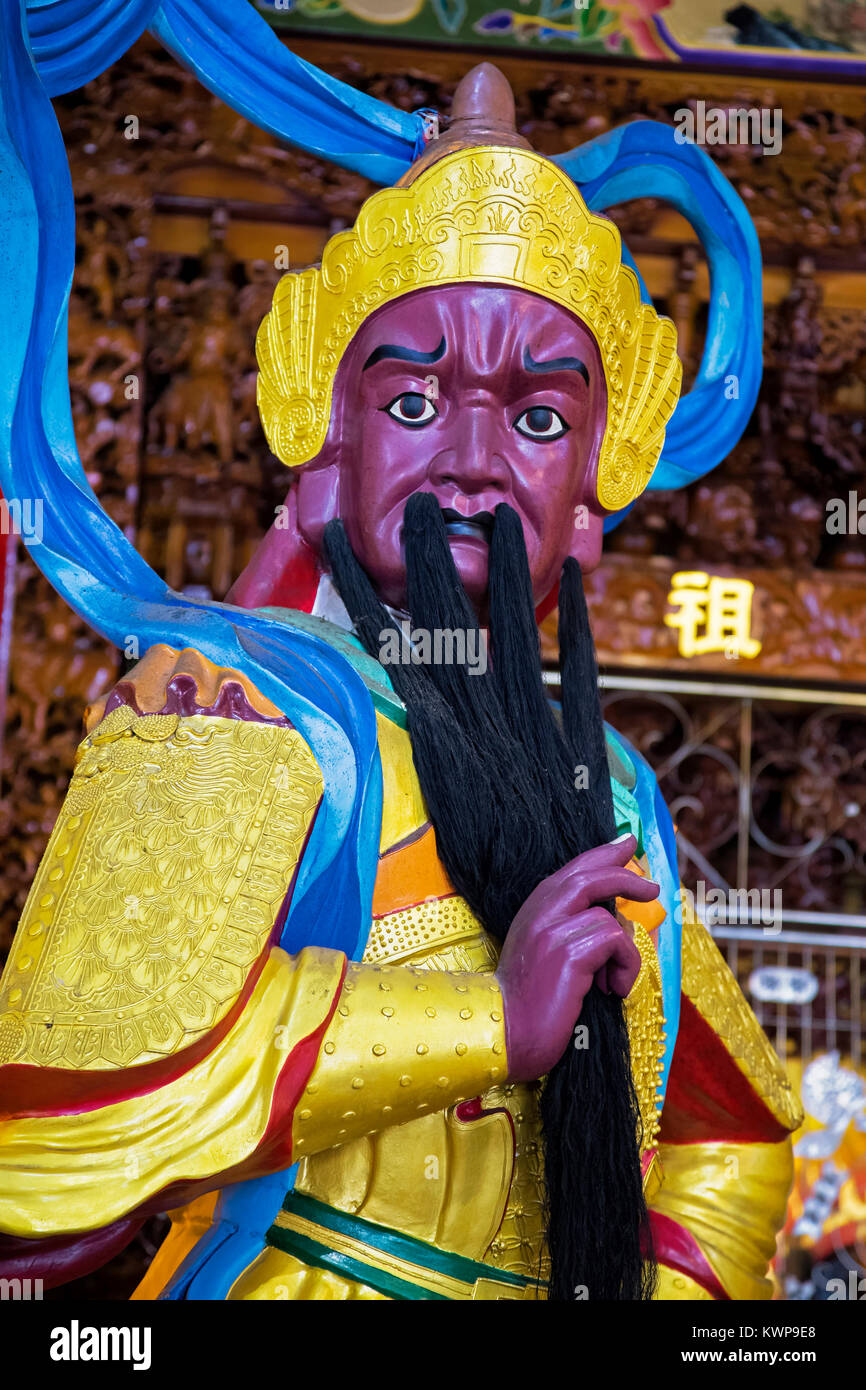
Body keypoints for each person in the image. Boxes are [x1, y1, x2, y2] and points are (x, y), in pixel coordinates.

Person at [0, 65, 800, 1302]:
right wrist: (492, 1023)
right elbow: (50, 1126)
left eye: (537, 420)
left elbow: (736, 1135)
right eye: (417, 400)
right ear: (332, 447)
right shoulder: (232, 704)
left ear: (589, 497)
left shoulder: (619, 797)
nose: (475, 464)